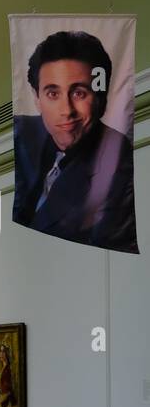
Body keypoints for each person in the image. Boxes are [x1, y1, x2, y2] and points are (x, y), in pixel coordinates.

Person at [12, 30, 137, 253]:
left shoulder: (116, 163)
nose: (66, 111)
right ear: (36, 98)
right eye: (53, 94)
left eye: (79, 93)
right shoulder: (24, 132)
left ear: (101, 97)